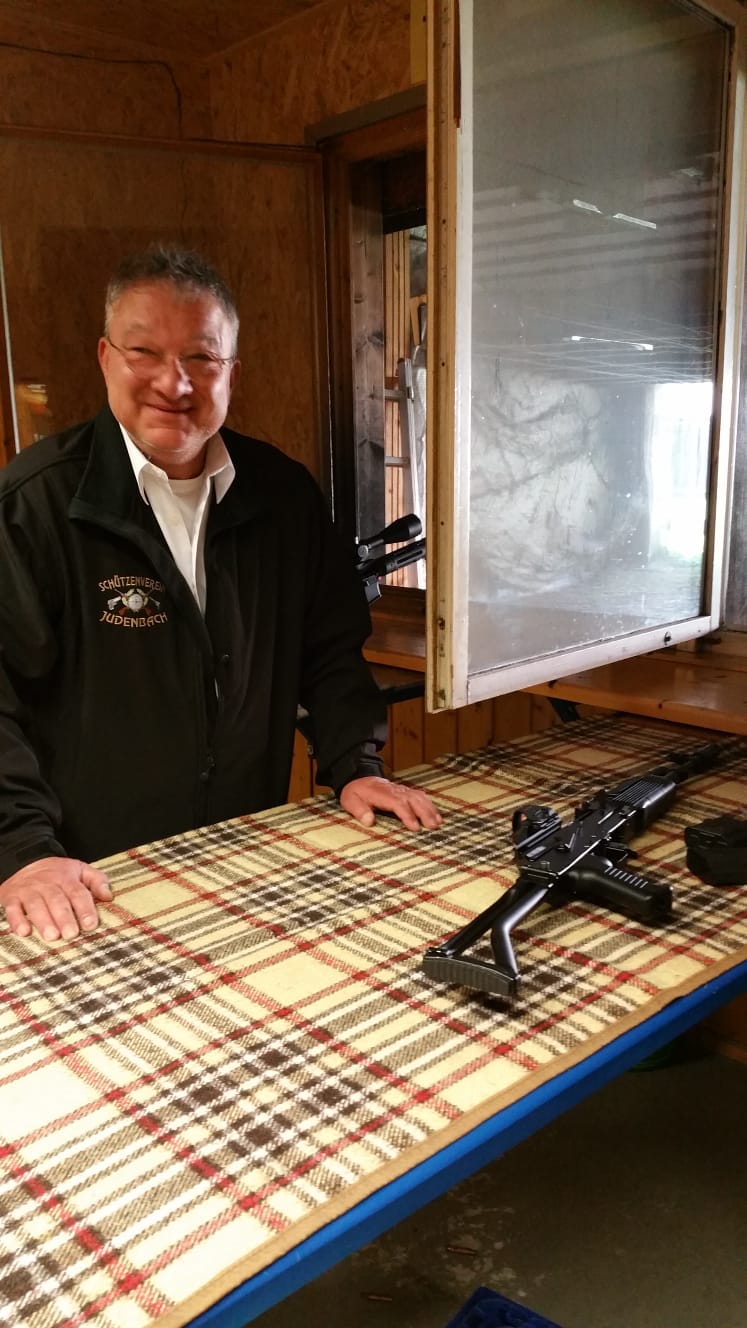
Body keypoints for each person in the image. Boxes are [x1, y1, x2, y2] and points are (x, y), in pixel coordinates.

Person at [0, 243, 441, 943]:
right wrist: (23, 851)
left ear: (232, 370)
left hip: (242, 859)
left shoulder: (283, 496)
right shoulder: (33, 504)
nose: (173, 382)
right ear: (105, 358)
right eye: (144, 352)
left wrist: (354, 766)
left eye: (202, 358)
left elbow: (330, 651)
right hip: (86, 882)